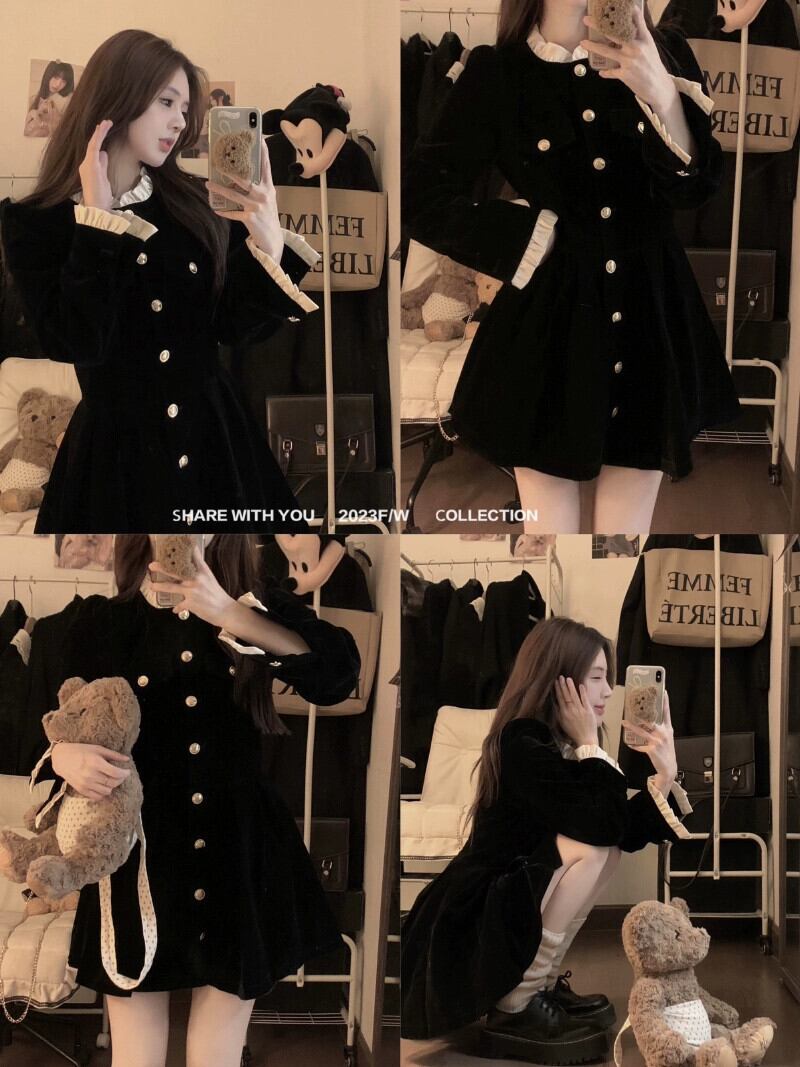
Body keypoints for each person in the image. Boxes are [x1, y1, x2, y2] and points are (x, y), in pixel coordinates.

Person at [16, 534, 361, 1067]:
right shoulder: (98, 622)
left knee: (217, 1051)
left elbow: (338, 675)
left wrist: (231, 613)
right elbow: (42, 728)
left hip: (238, 850)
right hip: (137, 857)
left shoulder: (256, 599)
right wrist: (63, 757)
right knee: (136, 1054)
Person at [404, 0, 740, 533]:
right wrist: (528, 236)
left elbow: (696, 191)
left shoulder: (664, 51)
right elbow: (421, 195)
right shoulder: (498, 72)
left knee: (622, 537)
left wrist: (661, 95)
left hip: (650, 318)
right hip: (550, 326)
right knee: (549, 533)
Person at [3, 30, 320, 533]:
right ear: (118, 97)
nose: (179, 121)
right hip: (116, 459)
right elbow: (73, 340)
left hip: (215, 442)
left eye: (185, 109)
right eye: (166, 102)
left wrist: (266, 242)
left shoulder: (193, 205)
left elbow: (234, 328)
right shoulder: (38, 223)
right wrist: (99, 222)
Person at [401, 616, 692, 1064]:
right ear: (560, 681)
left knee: (607, 851)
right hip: (473, 913)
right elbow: (597, 827)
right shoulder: (523, 740)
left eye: (608, 678)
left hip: (508, 899)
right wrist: (591, 744)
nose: (609, 691)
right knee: (591, 848)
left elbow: (618, 831)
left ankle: (539, 986)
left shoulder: (560, 742)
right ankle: (517, 1002)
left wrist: (665, 773)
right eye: (596, 678)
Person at [24, 60, 75, 138]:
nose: (58, 84)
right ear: (48, 75)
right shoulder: (33, 99)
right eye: (56, 77)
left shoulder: (65, 102)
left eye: (64, 81)